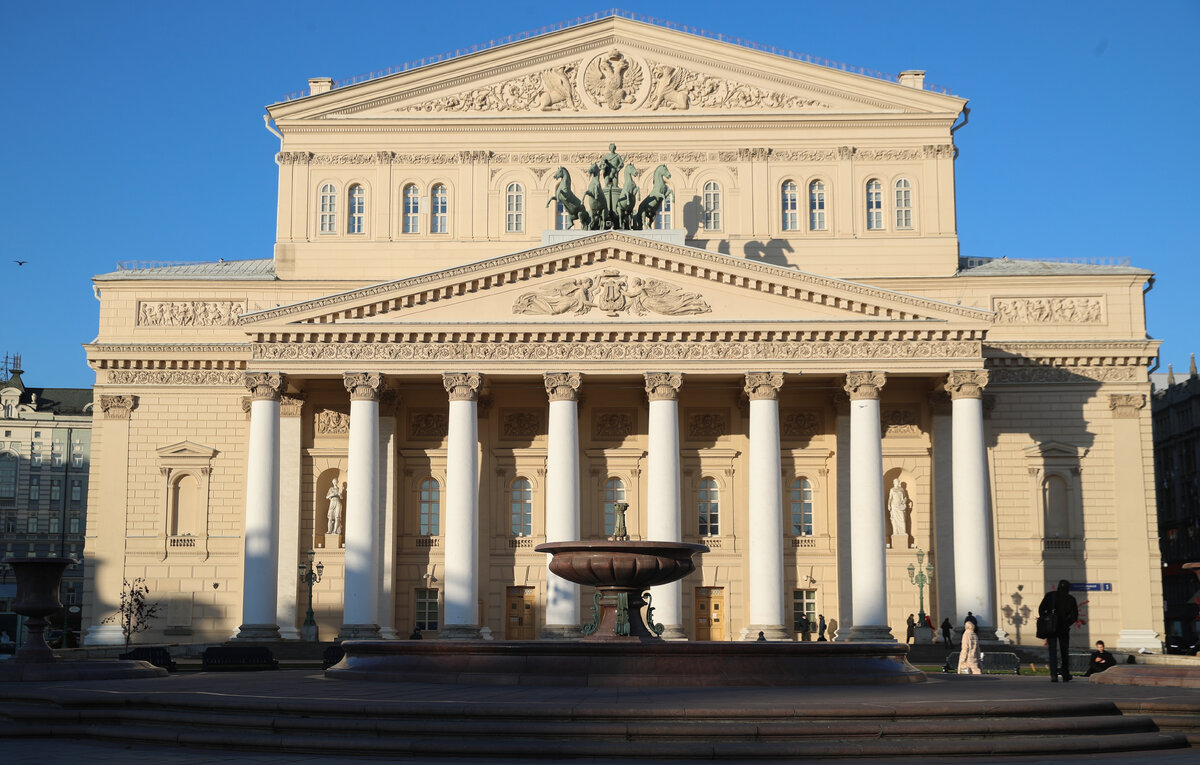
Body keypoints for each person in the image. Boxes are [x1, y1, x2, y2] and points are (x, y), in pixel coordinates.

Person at [1039, 579, 1080, 682]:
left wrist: (1047, 619)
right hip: (1064, 629)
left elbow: (1041, 609)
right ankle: (1065, 675)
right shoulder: (1071, 599)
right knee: (1064, 652)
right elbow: (1074, 616)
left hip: (1051, 628)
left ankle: (1053, 675)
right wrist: (1067, 623)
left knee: (1052, 651)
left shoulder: (1050, 595)